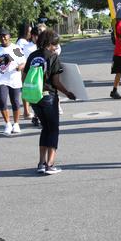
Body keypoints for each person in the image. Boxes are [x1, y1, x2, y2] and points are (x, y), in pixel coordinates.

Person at [23, 29, 76, 175]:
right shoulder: (53, 57)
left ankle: (41, 163)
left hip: (35, 97)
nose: (56, 47)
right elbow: (56, 82)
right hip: (48, 97)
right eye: (55, 44)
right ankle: (50, 164)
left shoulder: (33, 56)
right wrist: (68, 93)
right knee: (53, 130)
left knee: (45, 129)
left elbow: (24, 77)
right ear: (49, 43)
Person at [0, 28, 26, 136]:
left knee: (15, 101)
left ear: (9, 36)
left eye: (5, 35)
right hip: (1, 79)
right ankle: (7, 124)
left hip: (14, 78)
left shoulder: (15, 48)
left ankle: (16, 124)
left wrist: (20, 67)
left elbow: (24, 62)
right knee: (2, 101)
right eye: (1, 36)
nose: (3, 38)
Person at [22, 26, 43, 126]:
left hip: (42, 74)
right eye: (36, 36)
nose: (38, 38)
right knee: (35, 95)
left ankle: (38, 115)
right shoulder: (27, 47)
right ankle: (36, 115)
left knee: (41, 95)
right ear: (32, 36)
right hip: (32, 75)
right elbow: (23, 61)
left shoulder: (44, 45)